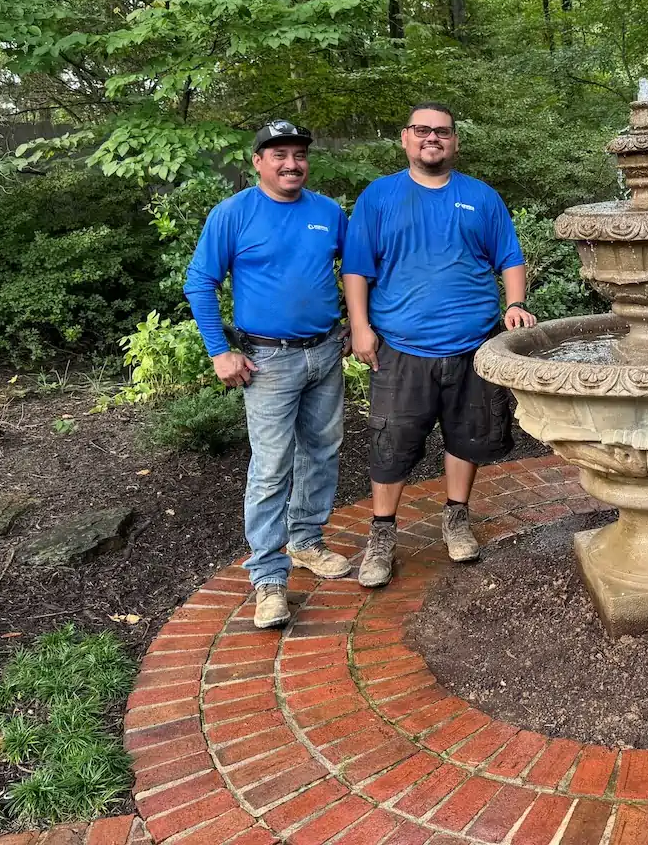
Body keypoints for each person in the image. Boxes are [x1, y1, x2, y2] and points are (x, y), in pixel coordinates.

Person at [345, 102, 535, 589]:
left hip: (473, 346)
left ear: (455, 141)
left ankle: (456, 518)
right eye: (423, 130)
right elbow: (357, 269)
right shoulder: (380, 197)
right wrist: (361, 328)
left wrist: (515, 303)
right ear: (406, 138)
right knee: (391, 446)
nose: (433, 138)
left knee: (466, 436)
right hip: (401, 346)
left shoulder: (482, 197)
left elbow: (510, 258)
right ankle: (383, 535)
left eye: (443, 132)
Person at [185, 120, 356, 630]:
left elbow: (356, 272)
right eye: (278, 154)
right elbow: (200, 282)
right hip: (267, 361)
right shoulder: (233, 215)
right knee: (271, 465)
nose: (291, 163)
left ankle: (306, 542)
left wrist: (354, 324)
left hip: (325, 353)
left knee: (321, 452)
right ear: (257, 161)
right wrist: (220, 351)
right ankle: (268, 578)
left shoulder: (327, 212)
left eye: (299, 154)